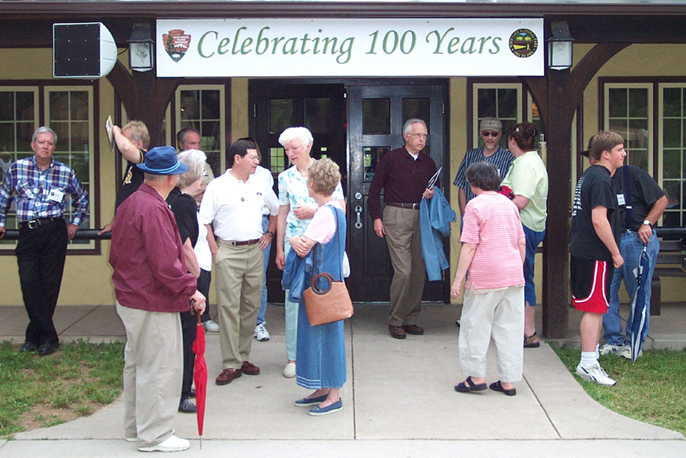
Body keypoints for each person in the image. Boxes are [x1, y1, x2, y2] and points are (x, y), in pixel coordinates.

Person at [109, 146, 205, 452]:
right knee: (160, 369)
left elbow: (116, 255)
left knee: (138, 365)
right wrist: (192, 288)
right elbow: (166, 264)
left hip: (132, 297)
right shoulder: (153, 208)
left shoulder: (132, 201)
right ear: (171, 177)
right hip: (151, 301)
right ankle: (155, 436)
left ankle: (135, 429)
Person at [0, 126, 89, 356]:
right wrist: (1, 222)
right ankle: (47, 335)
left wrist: (75, 223)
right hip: (28, 233)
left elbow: (82, 199)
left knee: (49, 285)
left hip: (54, 232)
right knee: (29, 283)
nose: (45, 146)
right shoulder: (17, 169)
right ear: (33, 145)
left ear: (54, 147)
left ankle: (33, 338)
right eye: (41, 142)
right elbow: (3, 198)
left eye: (49, 143)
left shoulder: (65, 172)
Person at [199, 139, 279, 386]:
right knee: (228, 307)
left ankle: (243, 357)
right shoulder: (217, 186)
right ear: (237, 159)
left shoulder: (261, 184)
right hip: (228, 251)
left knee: (251, 306)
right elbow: (204, 220)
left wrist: (270, 235)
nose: (257, 162)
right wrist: (214, 248)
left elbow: (276, 210)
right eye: (253, 158)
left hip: (255, 250)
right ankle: (230, 362)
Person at [451, 161, 526, 396]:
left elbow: (470, 246)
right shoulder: (509, 205)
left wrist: (458, 279)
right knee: (510, 328)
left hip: (485, 276)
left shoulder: (475, 207)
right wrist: (516, 266)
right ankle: (508, 380)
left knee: (475, 325)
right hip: (513, 274)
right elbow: (520, 241)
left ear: (473, 184)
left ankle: (476, 377)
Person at [275, 127, 345, 377]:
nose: (289, 153)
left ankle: (319, 353)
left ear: (307, 146)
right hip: (295, 246)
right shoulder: (285, 178)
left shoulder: (326, 171)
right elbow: (281, 214)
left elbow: (340, 209)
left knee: (321, 298)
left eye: (294, 148)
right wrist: (279, 248)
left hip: (322, 246)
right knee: (293, 300)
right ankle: (293, 358)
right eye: (286, 149)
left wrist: (312, 212)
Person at [594, 149, 668, 359]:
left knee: (639, 293)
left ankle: (634, 343)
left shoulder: (633, 174)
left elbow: (661, 200)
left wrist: (647, 223)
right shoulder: (598, 180)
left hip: (636, 240)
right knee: (607, 291)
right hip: (611, 241)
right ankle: (614, 339)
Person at [368, 118, 438, 339]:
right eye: (418, 135)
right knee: (404, 271)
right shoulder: (391, 158)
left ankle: (411, 319)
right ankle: (395, 320)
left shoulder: (429, 163)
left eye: (425, 135)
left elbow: (436, 190)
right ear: (406, 136)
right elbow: (374, 189)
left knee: (418, 270)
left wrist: (431, 194)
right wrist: (376, 218)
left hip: (422, 215)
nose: (422, 139)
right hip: (396, 214)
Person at [288, 158, 347, 415]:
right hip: (330, 282)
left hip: (321, 286)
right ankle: (323, 389)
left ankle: (333, 395)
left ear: (312, 184)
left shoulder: (324, 214)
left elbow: (304, 245)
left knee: (328, 337)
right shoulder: (336, 209)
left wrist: (291, 238)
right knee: (323, 335)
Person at [570, 131, 625, 386]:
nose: (624, 154)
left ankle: (590, 360)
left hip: (585, 252)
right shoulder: (601, 178)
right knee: (594, 308)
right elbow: (598, 219)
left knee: (597, 306)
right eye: (620, 149)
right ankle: (588, 363)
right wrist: (615, 252)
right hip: (595, 254)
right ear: (606, 154)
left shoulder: (589, 175)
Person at [501, 122, 548, 348]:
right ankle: (522, 329)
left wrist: (496, 205)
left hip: (525, 227)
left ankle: (528, 331)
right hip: (530, 225)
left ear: (512, 141)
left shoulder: (526, 164)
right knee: (521, 275)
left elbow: (520, 200)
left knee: (522, 277)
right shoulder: (528, 161)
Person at [166, 149, 206, 414]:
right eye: (202, 170)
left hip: (181, 278)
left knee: (186, 333)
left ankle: (185, 383)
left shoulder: (177, 199)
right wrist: (196, 277)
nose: (204, 174)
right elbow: (184, 245)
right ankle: (180, 393)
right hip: (185, 279)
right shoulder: (184, 203)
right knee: (186, 334)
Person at [178, 127, 219, 333]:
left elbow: (209, 188)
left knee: (204, 273)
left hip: (203, 219)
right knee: (192, 271)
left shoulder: (205, 165)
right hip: (190, 218)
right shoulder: (180, 166)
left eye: (198, 143)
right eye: (192, 143)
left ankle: (204, 316)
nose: (196, 147)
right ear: (181, 145)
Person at [236, 137, 274, 342]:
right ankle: (239, 324)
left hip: (259, 223)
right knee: (236, 279)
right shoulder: (229, 177)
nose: (255, 160)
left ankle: (258, 323)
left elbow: (270, 206)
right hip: (236, 226)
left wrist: (269, 232)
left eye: (255, 156)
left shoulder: (263, 175)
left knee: (258, 278)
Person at [453, 117, 514, 218]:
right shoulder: (470, 155)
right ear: (481, 133)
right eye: (486, 134)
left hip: (495, 217)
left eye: (494, 134)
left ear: (499, 134)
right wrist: (464, 214)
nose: (490, 138)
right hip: (471, 215)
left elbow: (509, 190)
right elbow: (461, 186)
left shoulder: (508, 158)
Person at [99, 120, 150, 234]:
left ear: (139, 144)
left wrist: (116, 132)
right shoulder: (132, 165)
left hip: (137, 227)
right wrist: (114, 222)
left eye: (124, 139)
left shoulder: (146, 159)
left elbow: (127, 148)